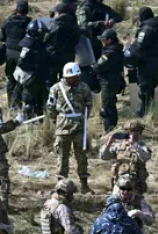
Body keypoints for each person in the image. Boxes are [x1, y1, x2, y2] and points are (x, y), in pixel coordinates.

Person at [48, 62, 94, 193]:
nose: (73, 78)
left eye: (75, 76)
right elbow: (50, 107)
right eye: (71, 76)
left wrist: (83, 118)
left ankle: (84, 185)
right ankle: (61, 185)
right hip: (63, 126)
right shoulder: (56, 88)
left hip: (79, 126)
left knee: (82, 156)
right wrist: (56, 120)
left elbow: (89, 104)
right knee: (62, 156)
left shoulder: (84, 87)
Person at [131, 7, 158, 117]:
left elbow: (140, 45)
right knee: (151, 85)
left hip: (146, 61)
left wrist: (133, 44)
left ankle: (144, 111)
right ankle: (149, 109)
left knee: (144, 86)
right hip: (157, 60)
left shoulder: (147, 28)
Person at [99, 120, 152, 193]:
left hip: (135, 185)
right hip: (118, 183)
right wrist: (109, 143)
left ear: (139, 132)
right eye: (127, 131)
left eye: (133, 131)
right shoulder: (119, 146)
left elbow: (146, 157)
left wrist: (135, 145)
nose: (130, 133)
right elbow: (103, 157)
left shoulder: (142, 146)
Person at [0, 0, 32, 108]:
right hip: (23, 55)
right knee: (22, 80)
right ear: (27, 10)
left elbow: (0, 37)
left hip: (9, 55)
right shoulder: (29, 23)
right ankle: (21, 104)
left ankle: (12, 105)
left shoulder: (7, 21)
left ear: (16, 10)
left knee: (11, 79)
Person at [15, 20, 51, 118]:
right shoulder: (29, 45)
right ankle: (29, 125)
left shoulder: (36, 43)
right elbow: (21, 62)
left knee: (43, 102)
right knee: (29, 104)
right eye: (42, 33)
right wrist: (34, 68)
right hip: (31, 79)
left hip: (39, 78)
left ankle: (41, 123)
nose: (44, 35)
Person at [95, 29, 126, 132]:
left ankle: (108, 131)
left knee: (106, 109)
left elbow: (98, 67)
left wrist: (93, 67)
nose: (102, 42)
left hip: (108, 83)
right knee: (111, 106)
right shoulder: (117, 50)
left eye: (104, 40)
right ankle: (112, 129)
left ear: (109, 40)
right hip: (114, 81)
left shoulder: (109, 53)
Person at [46, 2, 81, 84]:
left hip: (53, 57)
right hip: (69, 57)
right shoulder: (75, 25)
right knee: (66, 83)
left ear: (59, 13)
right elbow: (76, 40)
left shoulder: (53, 24)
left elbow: (46, 39)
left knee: (50, 82)